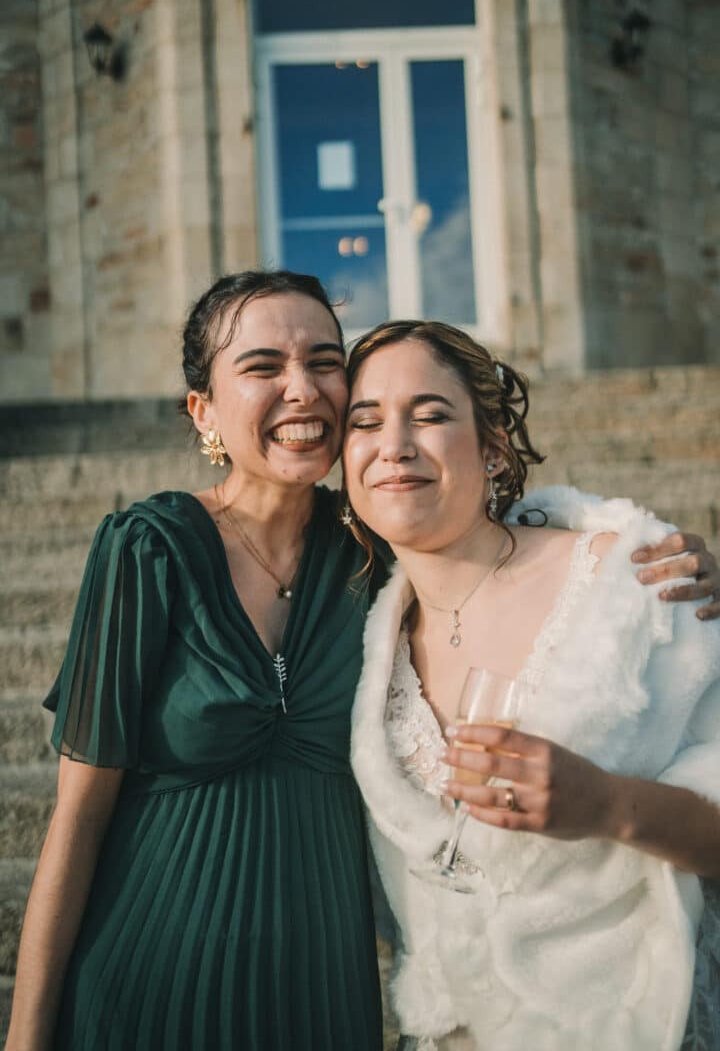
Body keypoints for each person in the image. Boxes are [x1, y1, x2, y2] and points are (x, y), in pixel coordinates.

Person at [4, 277, 719, 1051]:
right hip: (156, 969)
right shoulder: (155, 551)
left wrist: (641, 543)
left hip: (323, 991)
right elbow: (76, 818)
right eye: (262, 367)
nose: (301, 390)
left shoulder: (368, 558)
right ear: (202, 410)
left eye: (322, 360)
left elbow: (480, 531)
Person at [344, 319, 720, 1051]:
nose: (394, 444)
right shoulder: (358, 632)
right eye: (365, 422)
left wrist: (608, 805)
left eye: (430, 414)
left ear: (493, 449)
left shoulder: (636, 584)